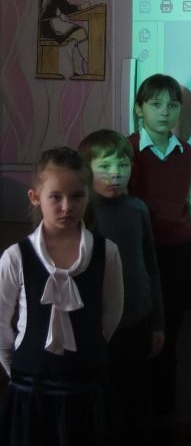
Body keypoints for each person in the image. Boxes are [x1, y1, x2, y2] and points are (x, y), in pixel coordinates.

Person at [0, 147, 123, 446]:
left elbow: (111, 312)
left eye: (77, 196)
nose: (67, 206)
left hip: (83, 386)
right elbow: (1, 320)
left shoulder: (107, 252)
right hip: (30, 386)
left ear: (88, 196)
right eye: (55, 197)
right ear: (35, 197)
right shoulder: (16, 256)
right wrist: (14, 365)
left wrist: (90, 348)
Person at [126, 74, 191, 424]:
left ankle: (161, 426)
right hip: (135, 262)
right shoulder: (125, 151)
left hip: (176, 261)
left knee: (167, 347)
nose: (164, 112)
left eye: (172, 105)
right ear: (139, 109)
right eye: (155, 104)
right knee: (131, 348)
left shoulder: (189, 155)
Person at [78, 129, 164, 445]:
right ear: (86, 170)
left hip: (137, 323)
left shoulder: (138, 210)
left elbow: (151, 267)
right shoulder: (80, 213)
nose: (115, 174)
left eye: (123, 165)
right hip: (95, 329)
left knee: (137, 401)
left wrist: (158, 323)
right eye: (105, 166)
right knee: (101, 406)